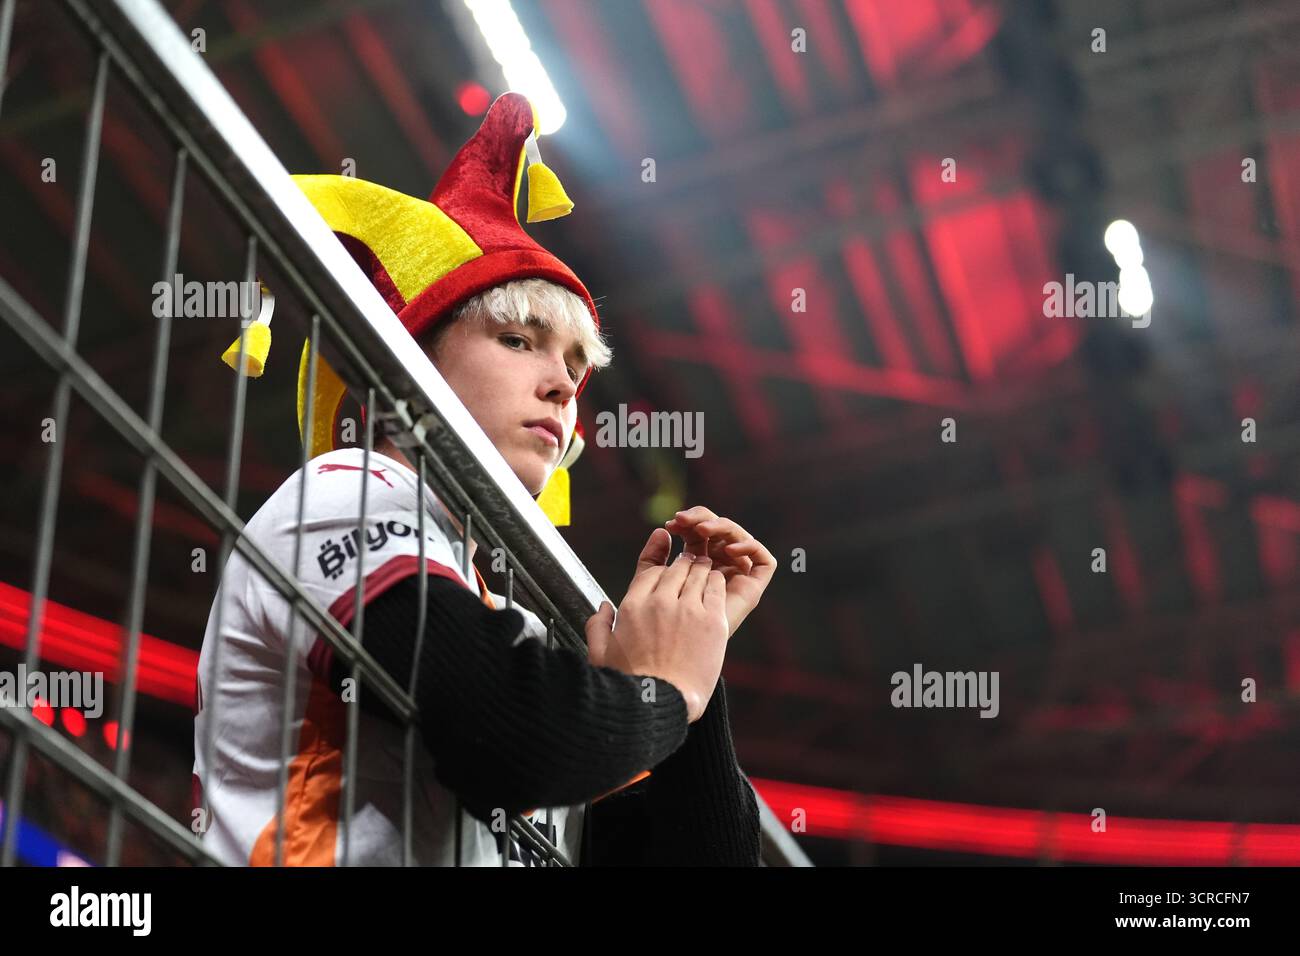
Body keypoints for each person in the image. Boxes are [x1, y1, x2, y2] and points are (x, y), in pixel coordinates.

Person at [192, 93, 775, 866]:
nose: (564, 387)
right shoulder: (340, 492)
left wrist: (691, 659)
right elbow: (513, 739)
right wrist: (661, 690)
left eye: (573, 365)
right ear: (410, 358)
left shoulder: (509, 625)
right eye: (516, 339)